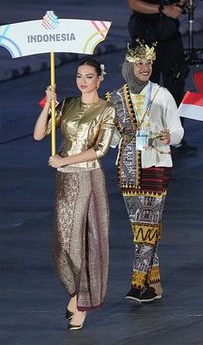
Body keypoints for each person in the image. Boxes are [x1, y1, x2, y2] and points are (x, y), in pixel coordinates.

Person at [33, 58, 116, 331]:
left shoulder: (107, 109)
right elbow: (39, 135)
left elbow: (100, 150)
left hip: (86, 178)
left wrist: (64, 161)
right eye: (80, 75)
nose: (83, 81)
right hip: (64, 181)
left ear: (99, 79)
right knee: (61, 245)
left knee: (81, 243)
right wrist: (49, 105)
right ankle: (75, 292)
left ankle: (83, 301)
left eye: (89, 76)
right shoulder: (67, 103)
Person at [108, 41, 184, 304]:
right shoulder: (116, 98)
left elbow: (178, 131)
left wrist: (168, 136)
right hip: (128, 169)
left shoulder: (162, 94)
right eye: (139, 63)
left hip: (156, 165)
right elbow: (113, 139)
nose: (145, 68)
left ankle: (137, 281)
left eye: (149, 63)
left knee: (148, 226)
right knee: (139, 228)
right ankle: (156, 284)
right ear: (130, 65)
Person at [126, 0, 193, 154]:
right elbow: (133, 2)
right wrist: (163, 9)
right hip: (146, 35)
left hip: (170, 36)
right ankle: (144, 137)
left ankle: (175, 137)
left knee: (176, 83)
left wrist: (181, 3)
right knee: (146, 86)